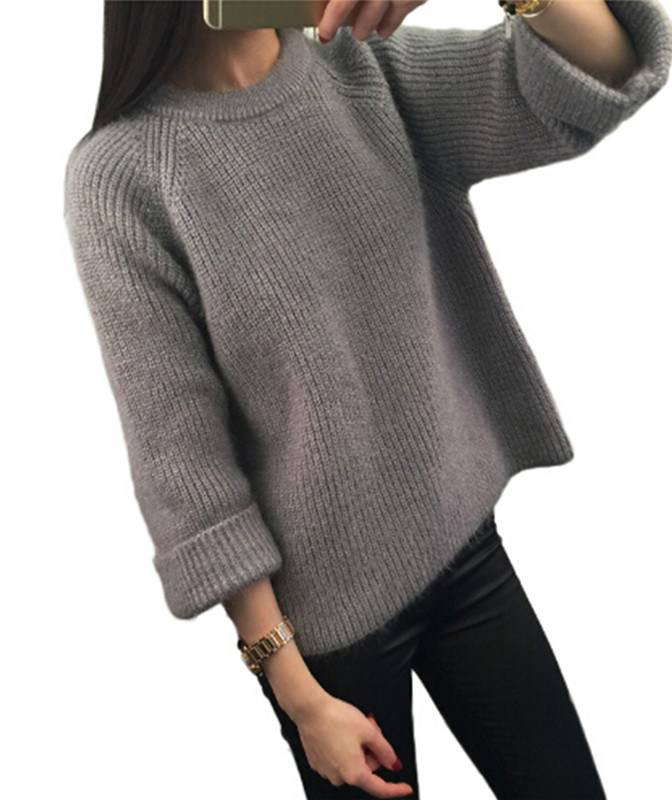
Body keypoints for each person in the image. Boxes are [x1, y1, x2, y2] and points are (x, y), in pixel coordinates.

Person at [63, 1, 672, 797]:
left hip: (466, 554)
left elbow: (600, 72)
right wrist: (299, 698)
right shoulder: (124, 175)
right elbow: (183, 464)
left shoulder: (364, 68)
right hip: (323, 639)